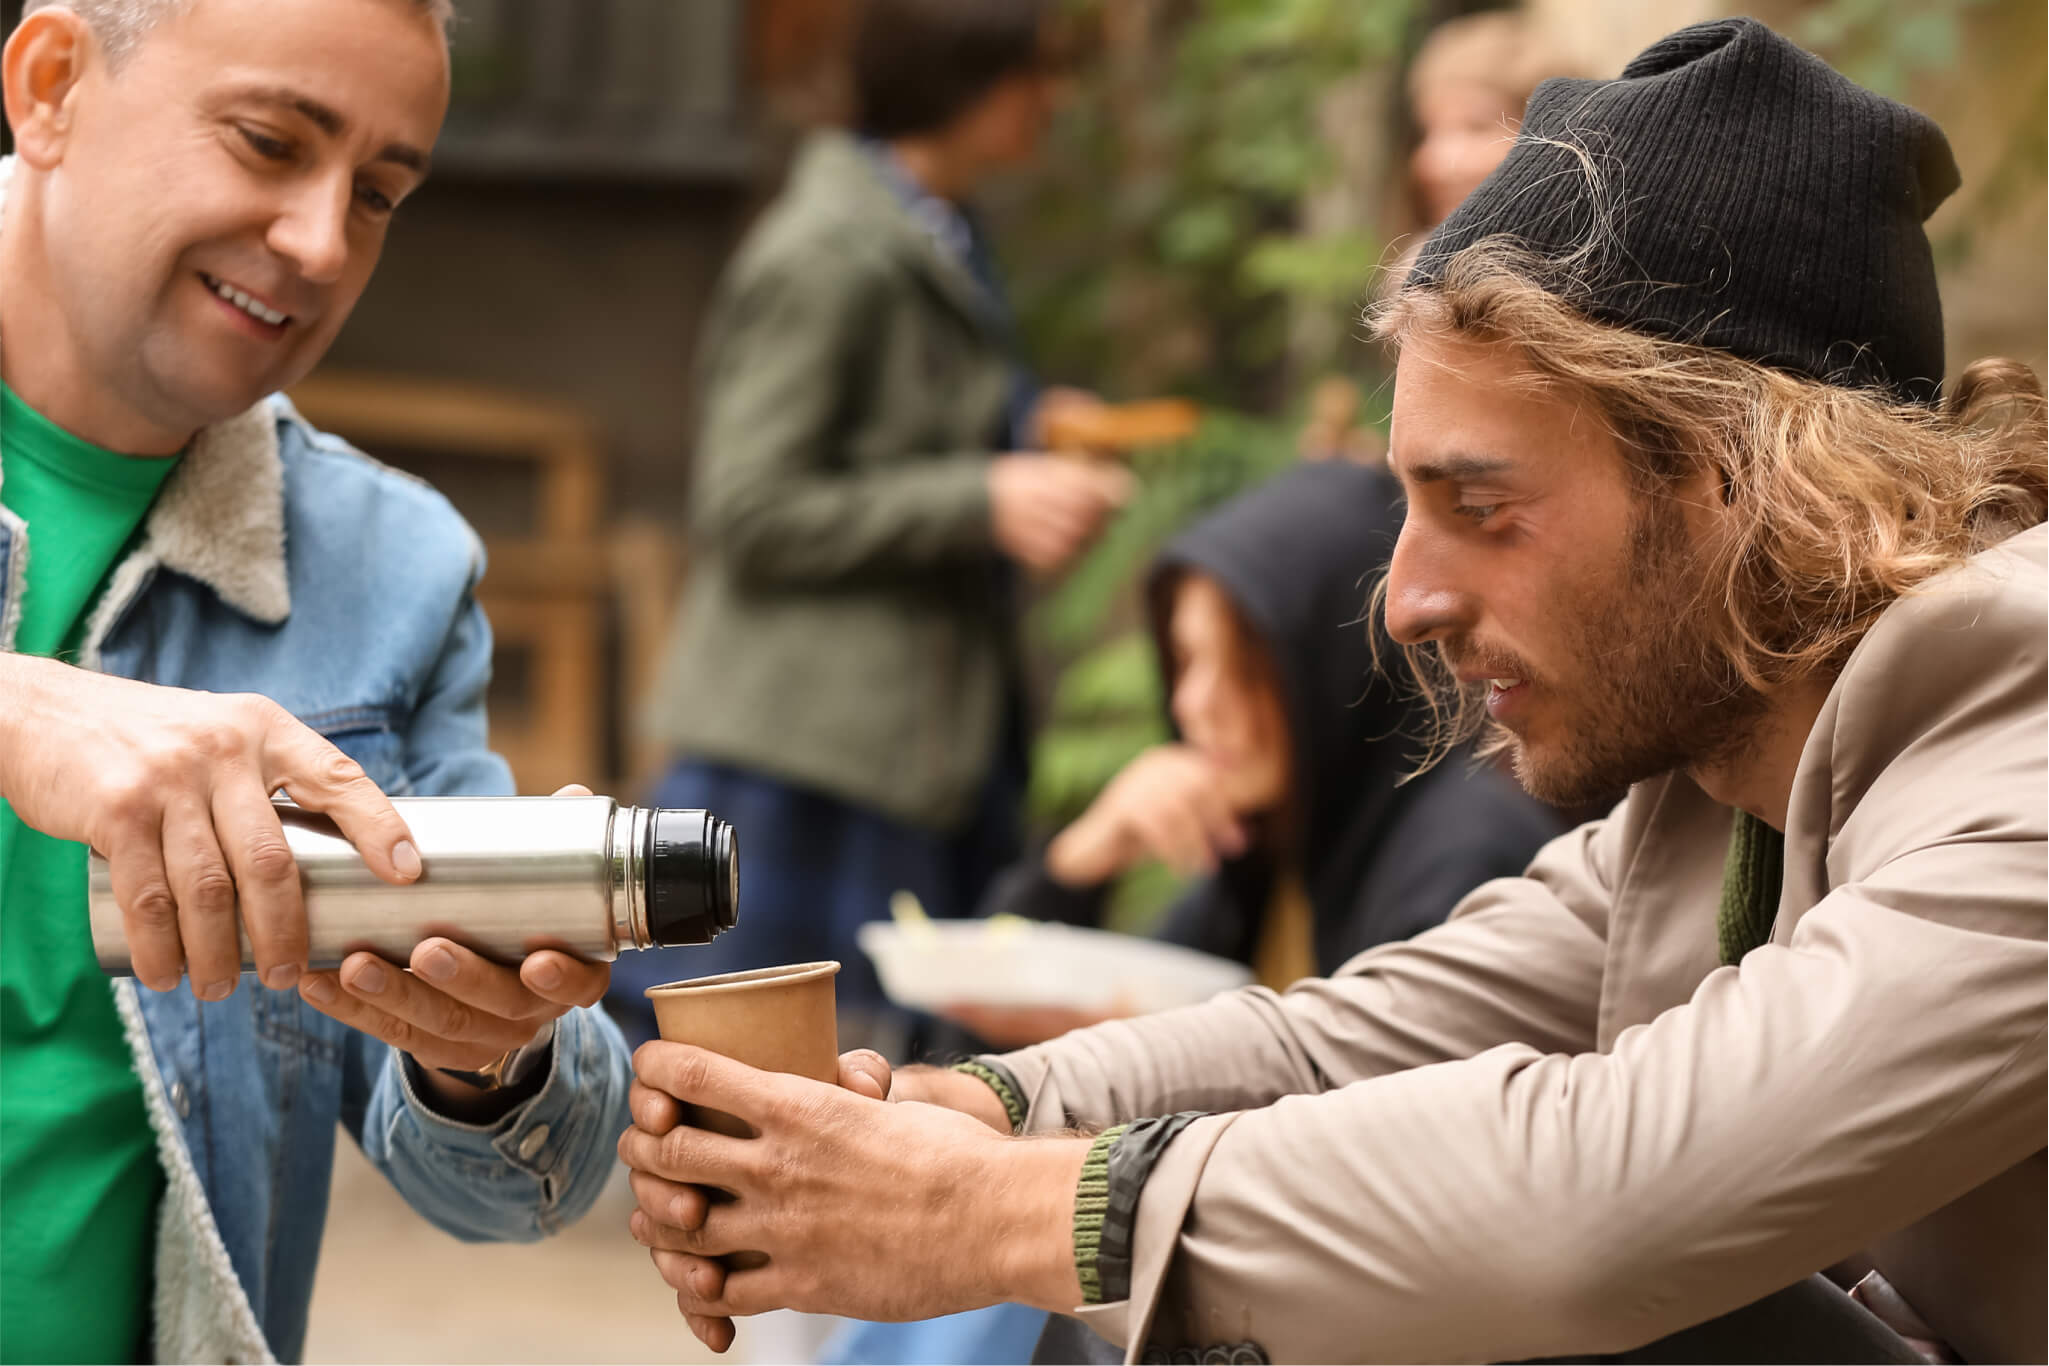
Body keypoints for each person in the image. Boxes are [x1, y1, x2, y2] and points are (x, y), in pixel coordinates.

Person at [616, 19, 2047, 1363]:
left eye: (1482, 505)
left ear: (1738, 488)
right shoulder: (1723, 775)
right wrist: (960, 1109)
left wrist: (978, 1211)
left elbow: (1589, 1204)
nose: (1403, 599)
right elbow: (1347, 1039)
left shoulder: (2022, 735)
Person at [0, 2, 631, 1360]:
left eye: (381, 193)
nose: (320, 242)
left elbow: (530, 1179)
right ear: (51, 85)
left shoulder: (389, 571)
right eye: (269, 141)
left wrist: (488, 1053)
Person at [614, 0, 1128, 1055]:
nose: (1053, 102)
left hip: (909, 732)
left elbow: (905, 423)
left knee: (883, 1060)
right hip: (807, 746)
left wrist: (1025, 428)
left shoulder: (936, 221)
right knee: (744, 1059)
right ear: (966, 83)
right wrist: (983, 499)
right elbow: (750, 507)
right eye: (1036, 75)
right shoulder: (826, 254)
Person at [954, 458, 1568, 1046]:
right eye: (1188, 659)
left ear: (1344, 672)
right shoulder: (1273, 858)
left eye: (1247, 668)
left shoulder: (1465, 863)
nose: (1196, 704)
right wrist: (1077, 864)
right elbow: (969, 1033)